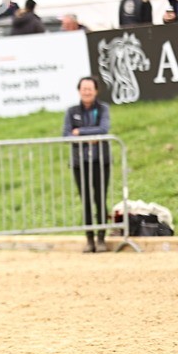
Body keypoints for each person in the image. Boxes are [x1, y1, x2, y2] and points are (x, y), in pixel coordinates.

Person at [63, 76, 112, 253]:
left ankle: (101, 239)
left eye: (90, 88)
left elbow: (103, 129)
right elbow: (66, 134)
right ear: (79, 91)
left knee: (100, 199)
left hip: (101, 162)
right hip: (80, 163)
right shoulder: (71, 111)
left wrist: (81, 132)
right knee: (86, 202)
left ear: (96, 91)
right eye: (84, 89)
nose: (87, 92)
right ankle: (89, 240)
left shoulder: (103, 109)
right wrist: (88, 138)